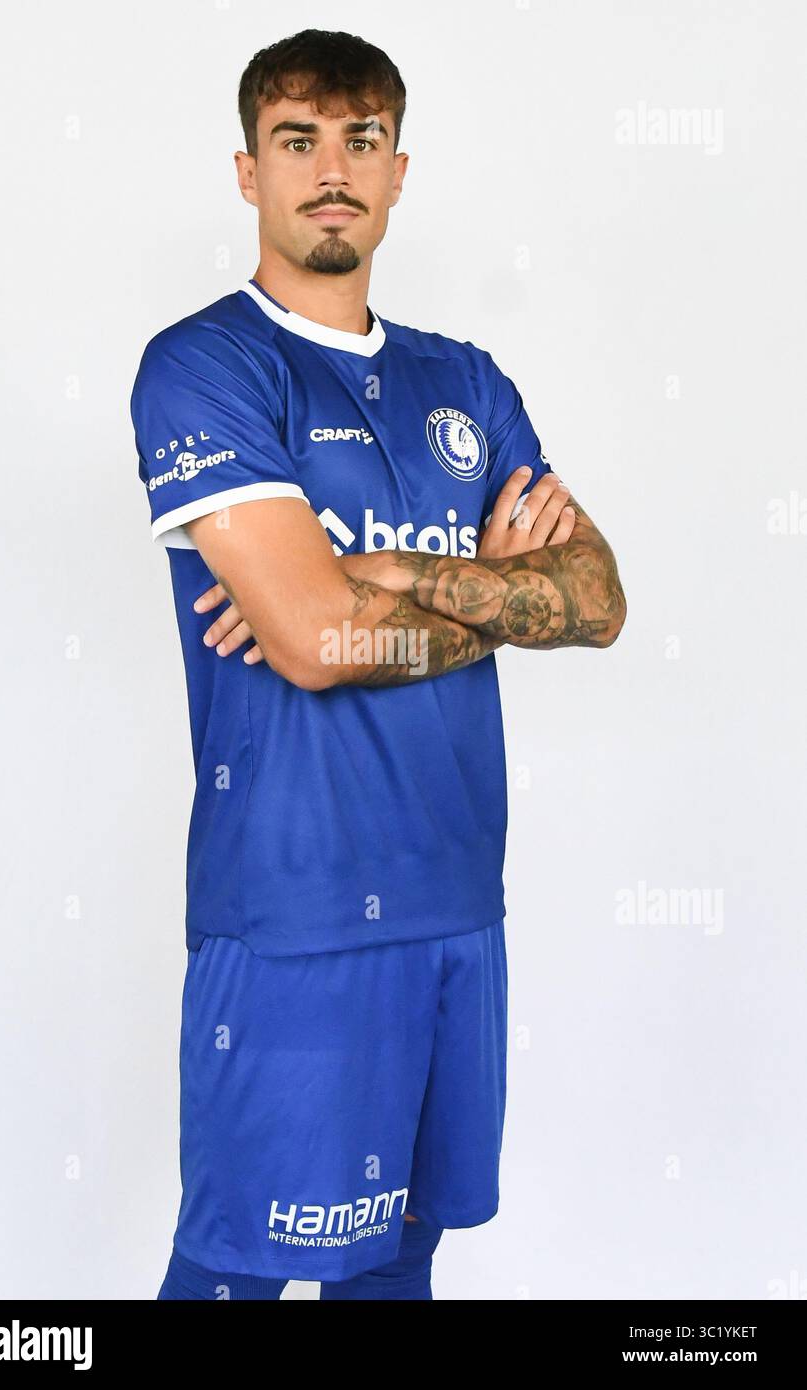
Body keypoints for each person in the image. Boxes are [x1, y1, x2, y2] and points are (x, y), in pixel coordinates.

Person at [129, 27, 626, 1301]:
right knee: (235, 1266)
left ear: (398, 171)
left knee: (396, 1269)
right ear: (249, 171)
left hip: (458, 902)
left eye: (360, 141)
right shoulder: (205, 366)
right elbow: (309, 641)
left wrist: (380, 577)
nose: (330, 169)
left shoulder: (465, 380)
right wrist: (487, 596)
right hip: (290, 915)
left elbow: (599, 600)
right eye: (298, 140)